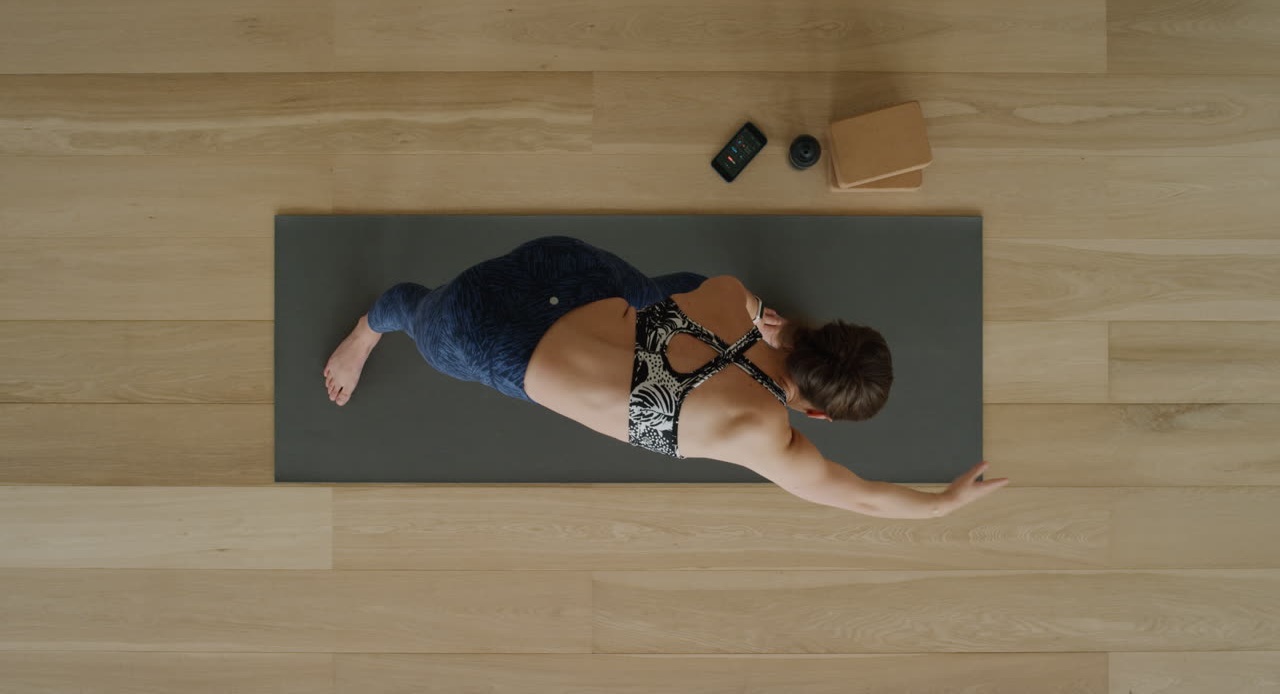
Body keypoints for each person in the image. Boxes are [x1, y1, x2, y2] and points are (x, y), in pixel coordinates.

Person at [323, 235, 1008, 519]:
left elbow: (729, 307)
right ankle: (369, 329)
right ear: (819, 417)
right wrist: (942, 503)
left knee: (671, 291)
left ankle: (405, 316)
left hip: (566, 268)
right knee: (419, 313)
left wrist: (767, 323)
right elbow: (860, 498)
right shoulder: (766, 437)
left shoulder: (735, 293)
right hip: (492, 336)